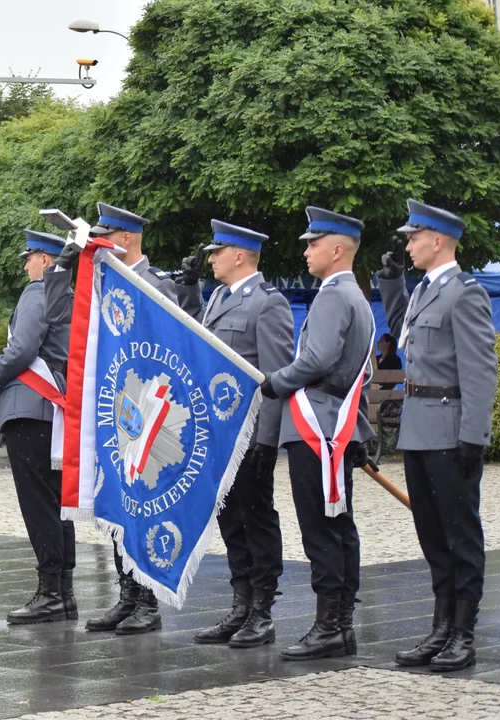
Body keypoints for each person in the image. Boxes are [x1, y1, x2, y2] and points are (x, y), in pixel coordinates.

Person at [45, 202, 178, 636]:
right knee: (116, 504)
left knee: (142, 502)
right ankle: (127, 594)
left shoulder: (157, 284)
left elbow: (167, 349)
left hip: (148, 415)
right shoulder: (99, 283)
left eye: (105, 236)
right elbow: (57, 317)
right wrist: (61, 271)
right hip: (112, 411)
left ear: (124, 240)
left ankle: (148, 600)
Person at [376, 200, 497, 672]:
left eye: (413, 238)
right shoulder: (426, 290)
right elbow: (402, 334)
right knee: (431, 535)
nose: (408, 245)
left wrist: (475, 435)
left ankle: (463, 633)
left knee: (459, 535)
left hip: (449, 428)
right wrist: (391, 285)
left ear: (438, 240)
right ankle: (441, 627)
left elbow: (480, 368)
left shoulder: (464, 293)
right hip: (420, 428)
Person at [260, 207, 374, 661]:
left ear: (337, 249)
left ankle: (330, 626)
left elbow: (318, 360)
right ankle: (340, 623)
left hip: (316, 423)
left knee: (321, 528)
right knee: (339, 526)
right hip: (336, 422)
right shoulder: (356, 296)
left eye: (313, 243)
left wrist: (275, 382)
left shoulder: (332, 296)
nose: (305, 251)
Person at [182, 221, 294, 648]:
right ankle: (240, 605)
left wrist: (267, 437)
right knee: (230, 518)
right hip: (219, 433)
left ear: (240, 255)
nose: (210, 259)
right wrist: (190, 287)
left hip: (249, 434)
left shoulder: (268, 304)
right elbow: (195, 334)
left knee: (256, 517)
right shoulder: (218, 301)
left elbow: (276, 375)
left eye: (217, 252)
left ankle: (262, 610)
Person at [0, 229, 75, 624]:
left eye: (31, 256)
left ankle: (51, 592)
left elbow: (22, 350)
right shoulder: (64, 296)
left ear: (46, 261)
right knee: (55, 504)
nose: (25, 263)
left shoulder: (38, 294)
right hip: (49, 410)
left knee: (39, 506)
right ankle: (62, 593)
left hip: (29, 408)